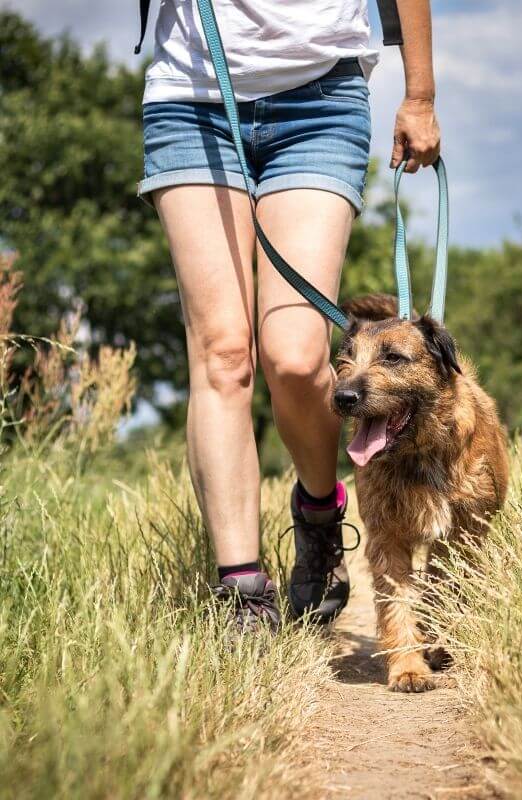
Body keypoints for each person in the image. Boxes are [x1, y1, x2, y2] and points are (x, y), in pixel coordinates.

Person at [138, 0, 441, 630]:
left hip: (320, 97)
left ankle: (319, 514)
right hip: (190, 94)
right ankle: (241, 588)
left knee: (298, 358)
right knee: (221, 351)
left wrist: (420, 95)